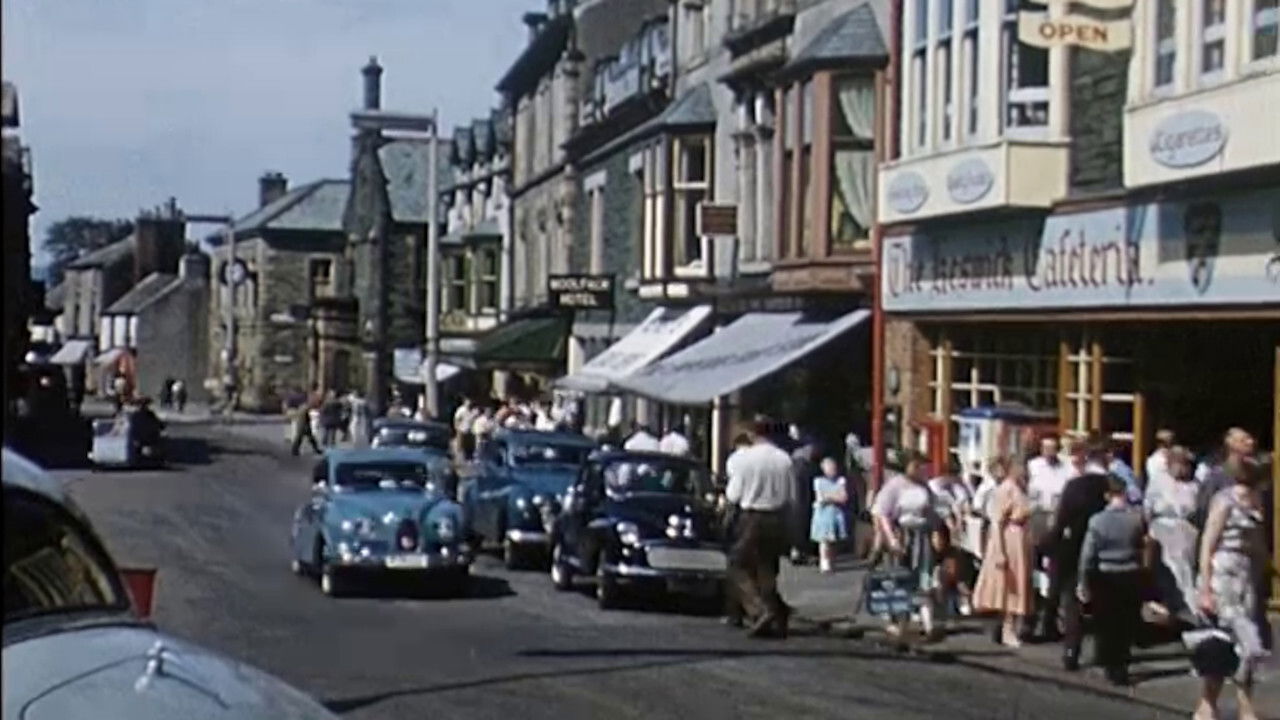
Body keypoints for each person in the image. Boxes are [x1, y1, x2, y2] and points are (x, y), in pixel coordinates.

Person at [1193, 457, 1269, 720]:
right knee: (1222, 641)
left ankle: (1245, 708)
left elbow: (1259, 544)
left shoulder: (1258, 503)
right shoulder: (1224, 501)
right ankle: (1208, 704)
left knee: (1247, 647)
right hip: (1222, 574)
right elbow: (1208, 543)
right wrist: (1205, 588)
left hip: (1246, 576)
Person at [724, 419, 794, 639]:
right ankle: (778, 617)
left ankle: (760, 609)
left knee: (737, 565)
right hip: (777, 516)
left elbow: (733, 494)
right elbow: (791, 496)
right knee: (767, 569)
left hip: (752, 516)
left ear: (752, 435)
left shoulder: (744, 459)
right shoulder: (784, 459)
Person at [1047, 436, 1113, 668]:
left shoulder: (1074, 486)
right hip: (1105, 549)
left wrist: (1050, 546)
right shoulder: (1111, 486)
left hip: (1073, 547)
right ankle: (1104, 653)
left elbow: (1061, 520)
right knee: (1104, 601)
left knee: (1072, 601)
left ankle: (1071, 651)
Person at [1077, 473, 1147, 686]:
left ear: (1108, 495)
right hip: (1130, 572)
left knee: (1106, 623)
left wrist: (1083, 580)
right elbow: (1141, 545)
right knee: (1125, 623)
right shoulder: (1136, 518)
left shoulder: (1098, 520)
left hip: (1105, 573)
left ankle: (1109, 664)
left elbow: (1087, 554)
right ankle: (1122, 665)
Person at [872, 451, 942, 640]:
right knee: (901, 579)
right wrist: (891, 539)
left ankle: (928, 625)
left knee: (924, 578)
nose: (921, 470)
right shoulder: (894, 486)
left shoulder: (925, 487)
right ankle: (899, 623)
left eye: (922, 466)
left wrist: (935, 531)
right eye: (916, 466)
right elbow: (881, 513)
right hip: (902, 535)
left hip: (922, 535)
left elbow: (932, 510)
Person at [973, 457, 1033, 647]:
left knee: (1018, 582)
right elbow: (997, 522)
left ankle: (1010, 627)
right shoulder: (1005, 489)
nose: (1023, 471)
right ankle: (1007, 629)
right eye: (1020, 467)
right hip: (1009, 539)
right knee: (1009, 585)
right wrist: (999, 551)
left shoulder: (1020, 488)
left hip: (1020, 538)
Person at [1144, 446, 1201, 624]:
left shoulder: (1194, 485)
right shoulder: (1158, 481)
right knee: (1163, 571)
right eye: (1177, 464)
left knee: (1185, 571)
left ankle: (1190, 611)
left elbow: (1197, 509)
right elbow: (1148, 507)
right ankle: (1168, 608)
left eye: (1184, 465)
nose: (1181, 469)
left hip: (1185, 531)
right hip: (1162, 529)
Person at [721, 433, 753, 628]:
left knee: (736, 565)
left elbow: (733, 494)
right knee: (762, 568)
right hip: (772, 514)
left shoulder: (737, 461)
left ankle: (738, 612)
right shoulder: (776, 458)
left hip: (743, 515)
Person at [810, 458, 849, 574]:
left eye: (834, 468)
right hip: (823, 513)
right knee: (824, 540)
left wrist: (830, 497)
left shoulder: (841, 481)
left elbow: (843, 498)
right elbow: (821, 498)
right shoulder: (818, 481)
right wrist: (834, 496)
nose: (832, 470)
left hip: (836, 514)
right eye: (829, 468)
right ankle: (824, 562)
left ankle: (831, 560)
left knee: (833, 540)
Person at [289, 388, 322, 456]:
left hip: (303, 425)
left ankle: (295, 450)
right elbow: (305, 417)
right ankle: (295, 451)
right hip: (304, 426)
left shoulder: (302, 407)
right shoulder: (305, 407)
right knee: (302, 439)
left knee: (303, 439)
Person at [454, 397, 477, 461]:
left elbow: (476, 419)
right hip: (462, 430)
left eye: (470, 402)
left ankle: (470, 458)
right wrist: (457, 428)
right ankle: (461, 459)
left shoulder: (474, 411)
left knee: (470, 446)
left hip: (471, 430)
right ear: (465, 402)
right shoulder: (461, 410)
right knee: (461, 446)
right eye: (467, 402)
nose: (469, 404)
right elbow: (456, 419)